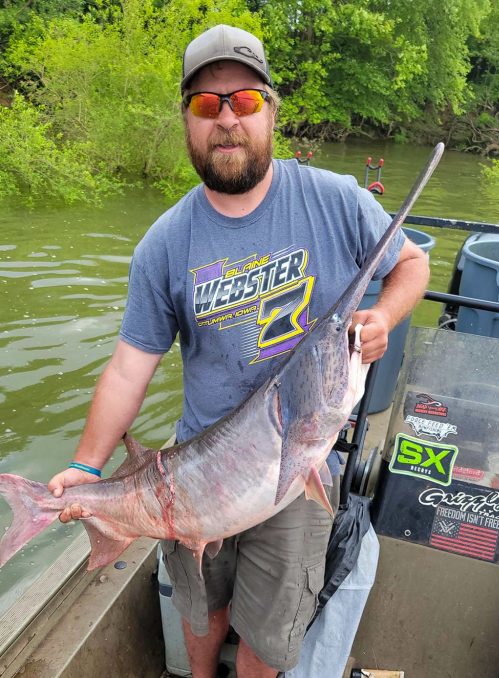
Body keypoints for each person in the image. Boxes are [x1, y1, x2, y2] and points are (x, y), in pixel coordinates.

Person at [44, 24, 430, 678]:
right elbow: (127, 369)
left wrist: (381, 317)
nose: (227, 119)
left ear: (271, 111)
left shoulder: (335, 200)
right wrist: (87, 465)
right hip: (193, 472)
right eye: (206, 104)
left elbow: (410, 263)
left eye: (244, 101)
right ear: (188, 122)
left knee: (269, 636)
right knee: (199, 616)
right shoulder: (163, 245)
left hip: (297, 464)